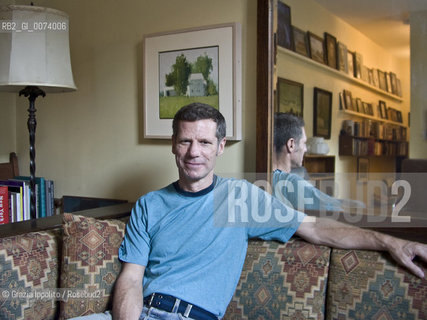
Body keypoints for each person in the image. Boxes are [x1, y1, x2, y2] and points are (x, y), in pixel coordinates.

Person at [78, 103, 427, 320]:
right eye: (185, 141)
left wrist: (387, 241)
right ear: (173, 145)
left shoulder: (243, 198)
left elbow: (317, 228)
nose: (193, 152)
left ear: (220, 147)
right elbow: (131, 279)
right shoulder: (148, 205)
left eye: (204, 142)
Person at [272, 112, 364, 212]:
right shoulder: (293, 184)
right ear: (291, 145)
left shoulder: (259, 179)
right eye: (304, 142)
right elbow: (339, 212)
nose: (305, 149)